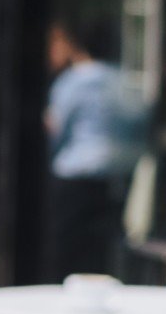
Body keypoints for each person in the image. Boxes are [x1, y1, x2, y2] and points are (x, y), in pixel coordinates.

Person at [44, 18, 147, 281]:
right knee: (103, 250)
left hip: (77, 177)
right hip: (119, 175)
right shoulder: (125, 81)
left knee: (66, 251)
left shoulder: (75, 81)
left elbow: (56, 131)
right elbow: (140, 125)